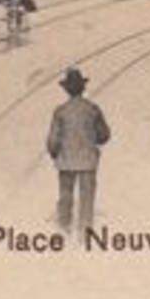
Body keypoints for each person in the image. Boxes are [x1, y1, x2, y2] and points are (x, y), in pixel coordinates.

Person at [46, 67, 111, 236]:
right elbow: (104, 135)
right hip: (88, 161)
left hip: (66, 162)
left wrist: (55, 153)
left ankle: (64, 232)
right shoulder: (93, 109)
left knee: (65, 199)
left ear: (67, 90)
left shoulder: (60, 111)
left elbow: (53, 140)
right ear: (83, 88)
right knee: (87, 201)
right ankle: (85, 235)